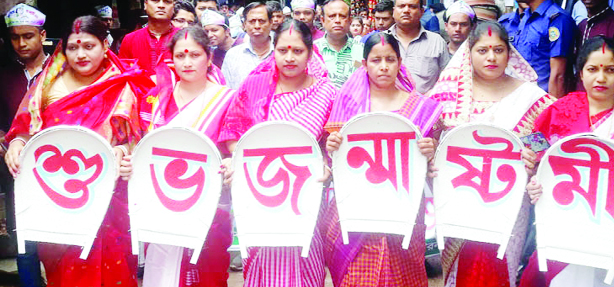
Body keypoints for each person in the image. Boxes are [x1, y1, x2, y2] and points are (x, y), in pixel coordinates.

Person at [4, 15, 153, 287]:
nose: (81, 54)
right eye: (73, 47)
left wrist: (124, 151)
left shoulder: (122, 84)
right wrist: (16, 145)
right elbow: (26, 127)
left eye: (89, 46)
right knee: (65, 271)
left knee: (113, 270)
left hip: (110, 196)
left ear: (105, 46)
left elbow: (136, 136)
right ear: (63, 48)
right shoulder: (47, 84)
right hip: (57, 196)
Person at [519, 36, 614, 287]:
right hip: (561, 220)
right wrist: (531, 174)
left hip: (613, 222)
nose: (601, 78)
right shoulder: (559, 110)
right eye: (592, 69)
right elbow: (531, 152)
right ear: (580, 72)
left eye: (610, 70)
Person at [428, 21, 556, 287]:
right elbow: (429, 138)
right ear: (468, 53)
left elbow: (545, 143)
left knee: (501, 265)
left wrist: (534, 160)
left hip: (508, 201)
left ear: (509, 54)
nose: (491, 57)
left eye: (499, 50)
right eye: (483, 50)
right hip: (458, 197)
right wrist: (430, 159)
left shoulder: (530, 96)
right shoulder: (448, 94)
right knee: (459, 269)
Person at [218, 20, 335, 286]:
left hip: (305, 193)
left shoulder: (326, 92)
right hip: (260, 191)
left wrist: (327, 166)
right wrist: (242, 162)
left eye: (297, 51)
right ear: (274, 51)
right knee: (262, 256)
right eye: (283, 50)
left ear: (310, 52)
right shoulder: (255, 85)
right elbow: (233, 131)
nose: (289, 58)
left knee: (305, 257)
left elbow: (333, 143)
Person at [322, 32, 443, 287]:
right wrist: (332, 147)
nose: (384, 66)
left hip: (404, 206)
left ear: (400, 63)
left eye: (390, 59)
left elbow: (432, 163)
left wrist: (430, 149)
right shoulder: (349, 104)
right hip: (355, 208)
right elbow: (332, 158)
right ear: (364, 64)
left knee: (401, 271)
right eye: (376, 60)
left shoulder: (420, 107)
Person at [122, 26, 236, 287]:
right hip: (161, 204)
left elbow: (234, 146)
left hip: (208, 207)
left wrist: (233, 161)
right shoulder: (155, 99)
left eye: (195, 55)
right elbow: (139, 145)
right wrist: (130, 160)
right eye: (180, 55)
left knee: (207, 274)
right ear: (170, 60)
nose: (187, 62)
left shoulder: (226, 100)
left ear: (209, 57)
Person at [0, 3, 50, 287]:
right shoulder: (5, 74)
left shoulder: (60, 70)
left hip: (58, 165)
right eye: (15, 37)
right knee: (23, 236)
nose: (21, 43)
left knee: (58, 234)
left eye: (28, 36)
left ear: (42, 35)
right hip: (16, 166)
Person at [504, 0, 577, 98]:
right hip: (516, 101)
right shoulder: (525, 17)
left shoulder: (557, 20)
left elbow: (558, 76)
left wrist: (553, 115)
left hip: (540, 104)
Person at [386, 0, 449, 94]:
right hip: (388, 107)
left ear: (421, 12)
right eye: (401, 6)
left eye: (412, 6)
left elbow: (447, 79)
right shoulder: (381, 41)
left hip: (425, 107)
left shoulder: (436, 42)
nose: (406, 10)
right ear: (393, 11)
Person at [119, 0, 178, 75]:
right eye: (155, 0)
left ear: (173, 7)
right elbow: (123, 75)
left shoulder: (184, 38)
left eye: (167, 1)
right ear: (145, 5)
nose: (161, 5)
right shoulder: (130, 40)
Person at [221, 2, 273, 89]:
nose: (257, 26)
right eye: (252, 21)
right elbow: (226, 90)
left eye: (262, 21)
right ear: (244, 25)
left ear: (271, 23)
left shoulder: (282, 53)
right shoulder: (233, 55)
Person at [314, 0, 363, 88]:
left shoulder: (362, 50)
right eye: (332, 16)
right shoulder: (312, 51)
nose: (337, 20)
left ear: (349, 20)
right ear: (322, 20)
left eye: (342, 16)